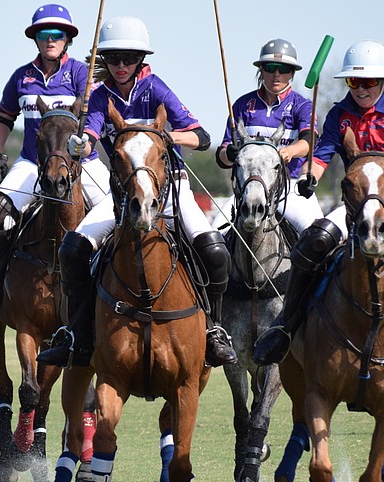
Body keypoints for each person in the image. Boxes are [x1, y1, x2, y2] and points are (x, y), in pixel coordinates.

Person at [253, 40, 384, 397]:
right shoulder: (340, 113)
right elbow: (320, 159)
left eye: (369, 82)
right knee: (314, 242)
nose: (363, 90)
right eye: (355, 83)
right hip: (360, 200)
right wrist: (310, 176)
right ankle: (286, 325)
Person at [36, 16, 237, 369]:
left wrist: (163, 138)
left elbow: (201, 137)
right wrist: (81, 144)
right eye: (114, 59)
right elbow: (92, 137)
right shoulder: (98, 97)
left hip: (170, 189)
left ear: (141, 59)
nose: (121, 65)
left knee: (214, 250)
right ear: (106, 62)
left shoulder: (156, 88)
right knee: (73, 248)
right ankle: (78, 334)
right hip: (121, 199)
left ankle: (214, 330)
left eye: (128, 58)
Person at [0, 4, 111, 313]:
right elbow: (3, 117)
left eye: (57, 34)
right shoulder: (22, 77)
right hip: (33, 163)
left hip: (82, 164)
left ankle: (109, 288)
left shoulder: (82, 75)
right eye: (44, 34)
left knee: (118, 214)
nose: (50, 40)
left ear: (67, 38)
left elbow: (102, 117)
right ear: (36, 39)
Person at [214, 38, 324, 246]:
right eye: (270, 68)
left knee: (318, 240)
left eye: (283, 69)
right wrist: (229, 153)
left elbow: (309, 142)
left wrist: (288, 152)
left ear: (292, 73)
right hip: (248, 187)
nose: (276, 74)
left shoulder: (302, 106)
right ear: (261, 70)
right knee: (212, 238)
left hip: (289, 189)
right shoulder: (243, 105)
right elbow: (222, 155)